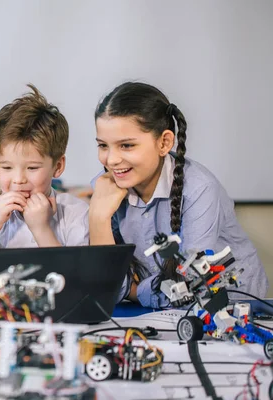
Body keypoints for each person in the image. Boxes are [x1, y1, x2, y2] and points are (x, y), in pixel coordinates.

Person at [88, 81, 268, 308]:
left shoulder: (199, 189)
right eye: (103, 145)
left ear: (164, 142)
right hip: (158, 310)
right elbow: (106, 291)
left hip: (233, 304)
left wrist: (134, 290)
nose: (111, 159)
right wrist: (98, 218)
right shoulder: (106, 188)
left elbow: (193, 288)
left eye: (126, 146)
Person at [0, 84, 89, 249]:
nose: (18, 180)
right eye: (6, 168)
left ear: (58, 166)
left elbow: (75, 274)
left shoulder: (76, 213)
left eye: (32, 168)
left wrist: (41, 228)